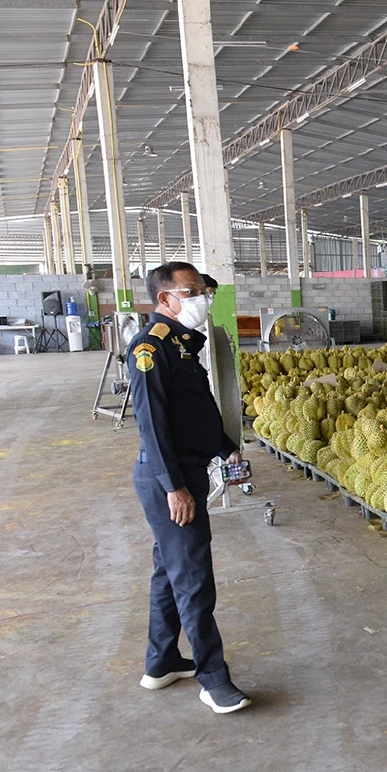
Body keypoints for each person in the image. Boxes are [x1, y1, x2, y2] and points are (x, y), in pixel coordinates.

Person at [128, 262, 251, 714]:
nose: (203, 298)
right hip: (170, 478)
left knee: (170, 571)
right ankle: (213, 679)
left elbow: (195, 410)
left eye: (203, 290)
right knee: (194, 580)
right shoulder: (149, 348)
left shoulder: (182, 344)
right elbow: (153, 426)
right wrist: (174, 488)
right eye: (192, 291)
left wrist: (225, 447)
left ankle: (161, 663)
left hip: (190, 470)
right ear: (164, 299)